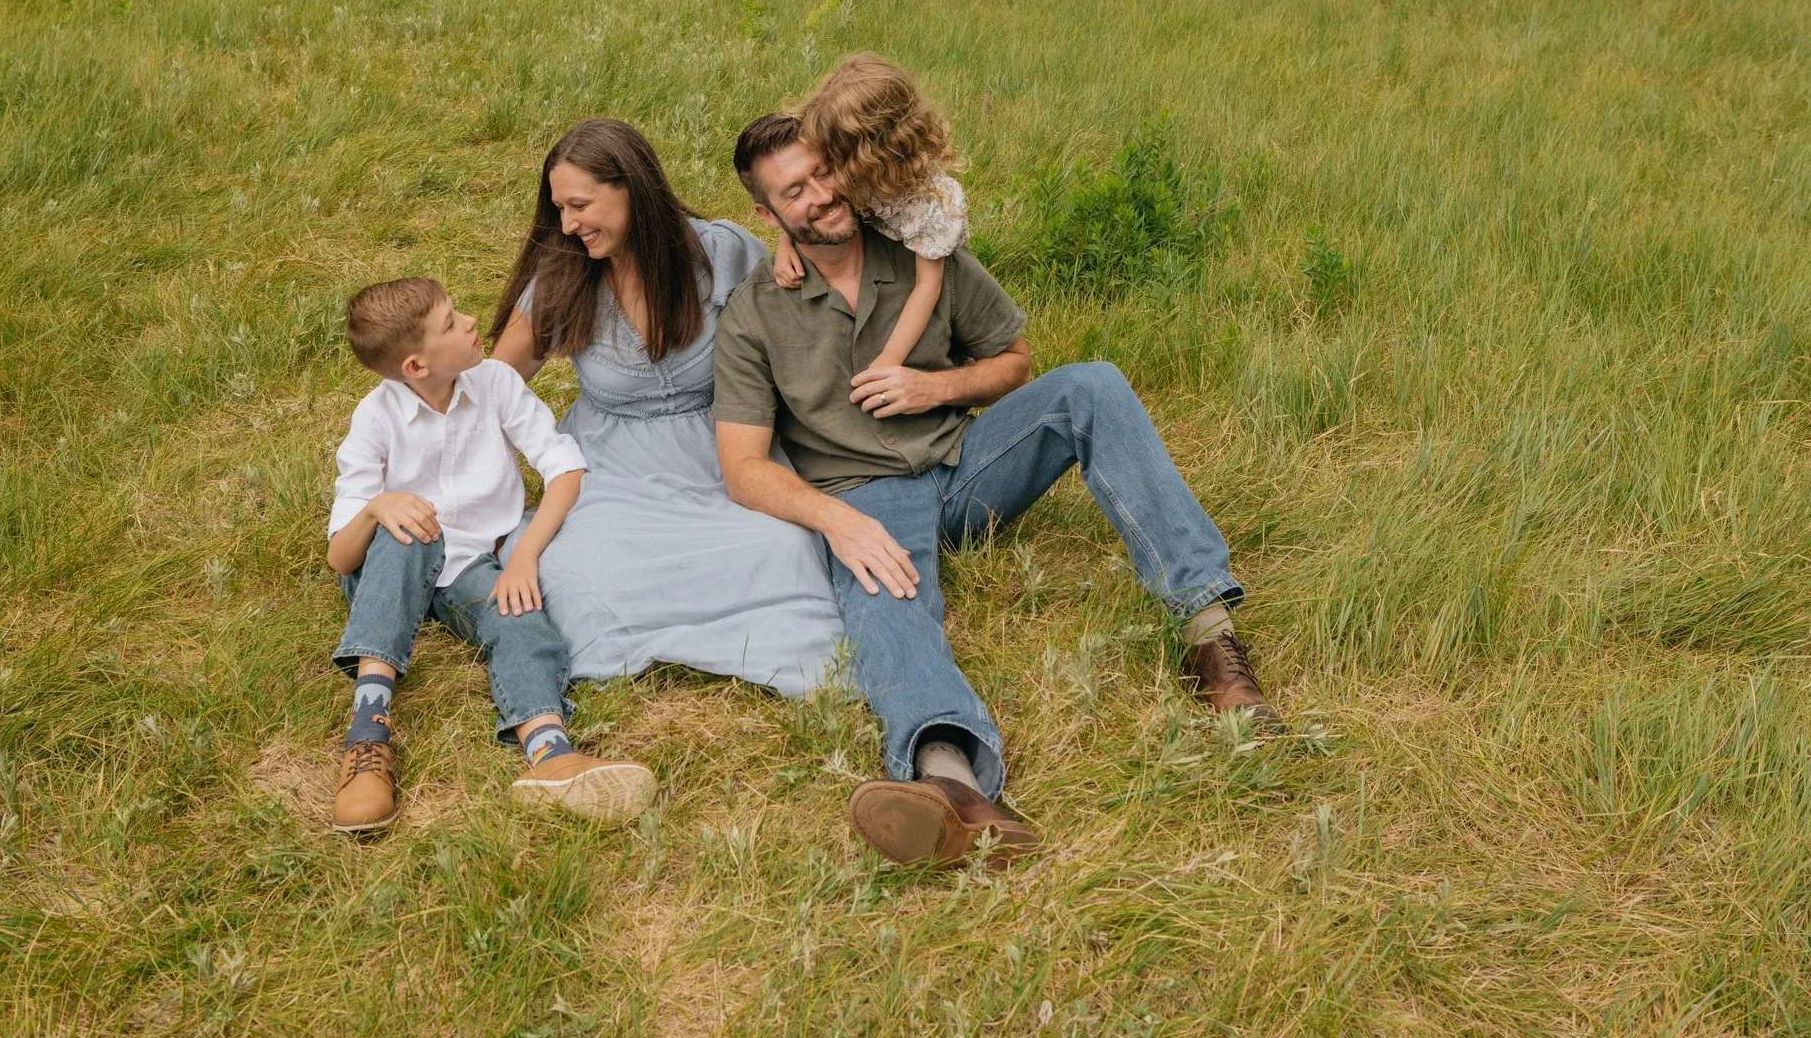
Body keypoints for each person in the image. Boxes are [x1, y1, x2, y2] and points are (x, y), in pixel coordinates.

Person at [713, 111, 1281, 869]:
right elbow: (743, 466)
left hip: (964, 459)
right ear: (768, 214)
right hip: (865, 497)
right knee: (889, 607)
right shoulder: (755, 312)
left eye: (824, 173)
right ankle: (952, 788)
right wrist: (834, 521)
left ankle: (1210, 636)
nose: (818, 195)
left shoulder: (920, 247)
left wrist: (932, 387)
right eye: (794, 190)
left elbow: (1014, 361)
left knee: (1092, 387)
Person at [490, 118, 844, 695]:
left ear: (632, 188)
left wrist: (788, 236)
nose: (568, 224)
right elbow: (494, 390)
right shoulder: (563, 276)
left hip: (722, 453)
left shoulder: (721, 252)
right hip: (610, 471)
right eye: (559, 208)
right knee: (575, 574)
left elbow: (812, 303)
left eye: (580, 204)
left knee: (785, 546)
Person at [324, 275, 657, 832]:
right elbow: (341, 557)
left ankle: (550, 754)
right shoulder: (375, 418)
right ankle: (368, 733)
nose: (472, 322)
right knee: (412, 528)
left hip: (471, 568)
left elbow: (565, 468)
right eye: (452, 324)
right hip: (387, 566)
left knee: (519, 612)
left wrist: (523, 556)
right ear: (415, 366)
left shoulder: (496, 383)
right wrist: (378, 506)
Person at [772, 55, 970, 387]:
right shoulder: (852, 167)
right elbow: (812, 211)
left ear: (871, 153)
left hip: (917, 271)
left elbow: (927, 288)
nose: (829, 176)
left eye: (837, 155)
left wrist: (889, 359)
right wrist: (786, 242)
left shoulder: (930, 207)